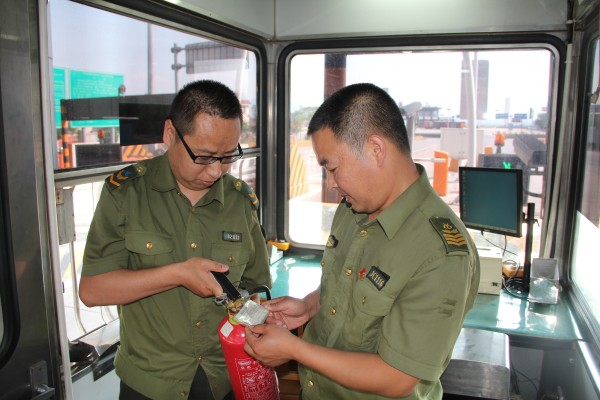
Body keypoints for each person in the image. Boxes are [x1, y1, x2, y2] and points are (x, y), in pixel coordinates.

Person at [244, 83, 480, 400]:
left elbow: (397, 378)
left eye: (333, 168)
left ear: (376, 150)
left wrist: (295, 349)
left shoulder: (440, 252)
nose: (331, 184)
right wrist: (308, 306)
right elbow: (345, 289)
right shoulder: (353, 208)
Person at [79, 80, 271, 400]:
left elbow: (255, 288)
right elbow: (92, 290)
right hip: (150, 382)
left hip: (225, 377)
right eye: (204, 156)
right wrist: (177, 274)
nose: (216, 172)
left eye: (227, 157)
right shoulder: (125, 194)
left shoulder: (240, 201)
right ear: (170, 134)